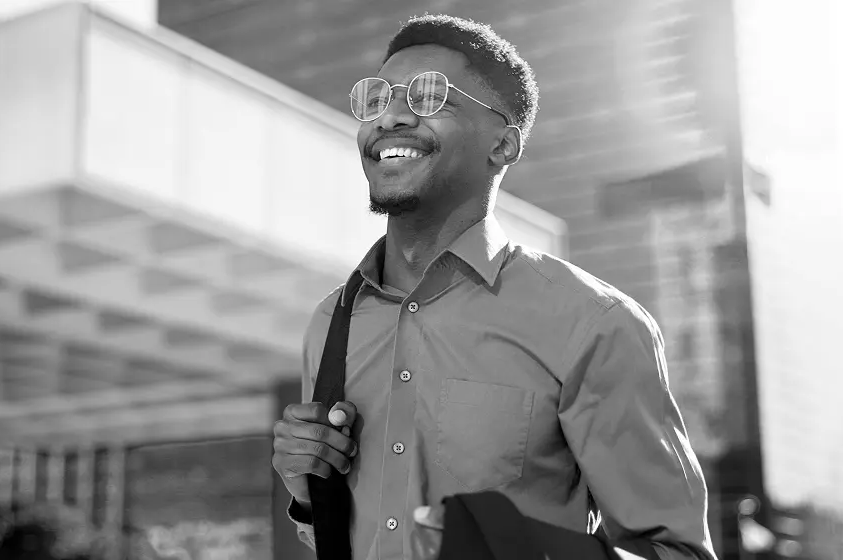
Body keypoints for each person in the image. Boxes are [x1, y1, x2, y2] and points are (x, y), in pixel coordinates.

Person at [270, 13, 716, 560]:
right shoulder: (331, 323)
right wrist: (309, 498)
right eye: (376, 99)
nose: (390, 117)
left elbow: (676, 552)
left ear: (502, 146)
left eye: (430, 96)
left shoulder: (593, 322)